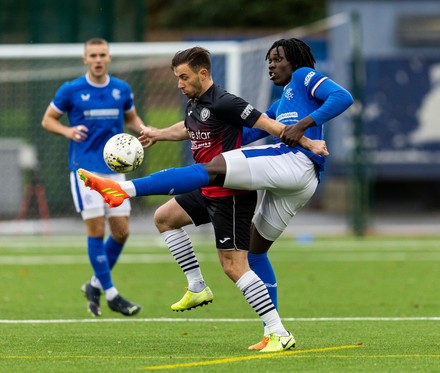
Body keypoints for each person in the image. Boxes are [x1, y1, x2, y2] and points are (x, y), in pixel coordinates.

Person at [77, 39, 351, 348]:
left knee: (230, 247)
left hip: (294, 166)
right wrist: (161, 133)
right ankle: (266, 328)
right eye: (269, 60)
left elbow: (341, 97)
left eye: (277, 59)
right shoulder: (273, 103)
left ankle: (123, 189)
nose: (271, 65)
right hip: (289, 178)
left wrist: (306, 134)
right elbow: (248, 131)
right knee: (182, 223)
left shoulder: (303, 77)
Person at [41, 37, 144, 317]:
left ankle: (94, 284)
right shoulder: (71, 90)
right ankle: (111, 294)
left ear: (109, 58)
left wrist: (143, 130)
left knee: (122, 232)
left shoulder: (121, 89)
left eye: (102, 54)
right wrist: (66, 131)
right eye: (93, 55)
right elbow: (48, 119)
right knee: (96, 230)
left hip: (115, 170)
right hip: (84, 169)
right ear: (85, 59)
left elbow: (132, 118)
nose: (98, 59)